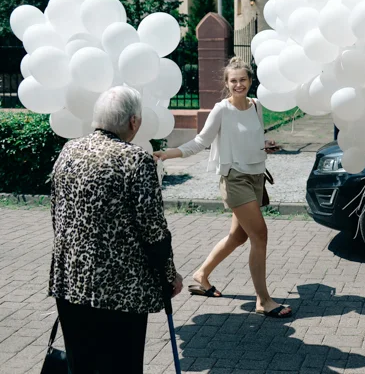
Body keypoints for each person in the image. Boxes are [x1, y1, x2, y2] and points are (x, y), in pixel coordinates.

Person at [49, 86, 182, 373]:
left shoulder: (69, 150)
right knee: (121, 365)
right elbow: (154, 230)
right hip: (120, 289)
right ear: (134, 122)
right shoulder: (136, 160)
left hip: (70, 283)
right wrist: (169, 275)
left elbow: (56, 215)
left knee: (81, 365)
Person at [154, 57, 292, 318]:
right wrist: (168, 154)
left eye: (243, 79)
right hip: (234, 179)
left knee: (239, 237)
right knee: (260, 234)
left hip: (256, 177)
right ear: (226, 84)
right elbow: (200, 141)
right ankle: (263, 300)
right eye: (233, 80)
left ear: (250, 81)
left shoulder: (257, 106)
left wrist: (267, 143)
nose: (238, 84)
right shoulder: (221, 110)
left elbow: (255, 137)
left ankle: (201, 275)